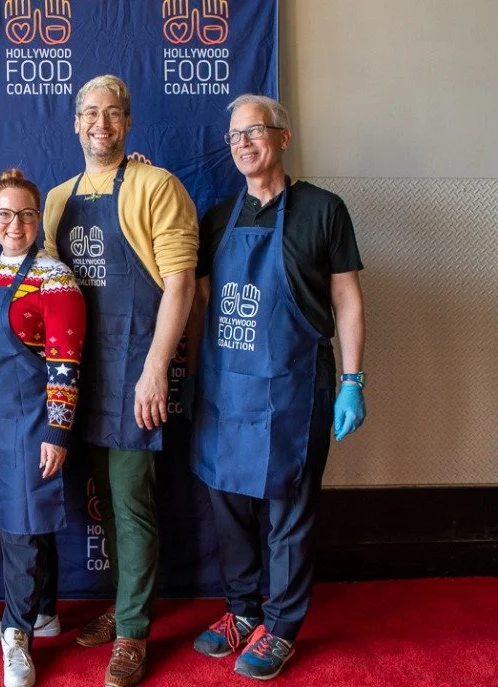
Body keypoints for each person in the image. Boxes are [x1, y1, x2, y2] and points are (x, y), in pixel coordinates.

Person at [185, 94, 366, 680]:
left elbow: (346, 298)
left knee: (290, 511)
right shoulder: (217, 218)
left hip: (293, 390)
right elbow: (201, 304)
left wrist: (352, 379)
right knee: (229, 506)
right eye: (235, 135)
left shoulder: (322, 210)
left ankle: (282, 625)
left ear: (283, 138)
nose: (243, 142)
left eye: (255, 131)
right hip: (225, 392)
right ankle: (241, 611)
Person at [43, 75, 198, 687]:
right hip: (79, 376)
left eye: (112, 113)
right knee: (104, 500)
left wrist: (156, 369)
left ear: (128, 123)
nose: (99, 123)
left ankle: (133, 634)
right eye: (89, 113)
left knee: (132, 503)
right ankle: (125, 605)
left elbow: (180, 283)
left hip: (135, 371)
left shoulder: (156, 185)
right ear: (75, 122)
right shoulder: (57, 199)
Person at [0, 169, 86, 687]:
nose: (15, 223)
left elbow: (66, 364)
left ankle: (17, 636)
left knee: (23, 529)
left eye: (26, 214)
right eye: (4, 214)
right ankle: (43, 611)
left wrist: (57, 432)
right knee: (24, 524)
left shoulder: (55, 277)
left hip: (31, 422)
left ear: (40, 219)